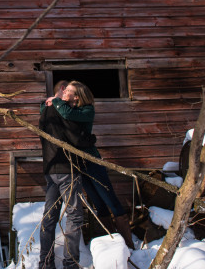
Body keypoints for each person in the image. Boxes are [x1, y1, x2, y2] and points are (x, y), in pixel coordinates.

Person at [45, 80, 134, 250]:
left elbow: (67, 114)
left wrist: (55, 100)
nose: (64, 92)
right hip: (78, 164)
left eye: (68, 90)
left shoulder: (87, 110)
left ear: (76, 96)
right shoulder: (70, 109)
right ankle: (113, 243)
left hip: (91, 162)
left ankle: (128, 244)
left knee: (109, 199)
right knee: (97, 203)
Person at [38, 80, 96, 269]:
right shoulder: (64, 113)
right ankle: (70, 263)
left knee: (50, 216)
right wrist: (90, 139)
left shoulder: (45, 110)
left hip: (50, 168)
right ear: (62, 92)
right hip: (67, 168)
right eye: (67, 90)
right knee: (74, 216)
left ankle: (45, 263)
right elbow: (75, 138)